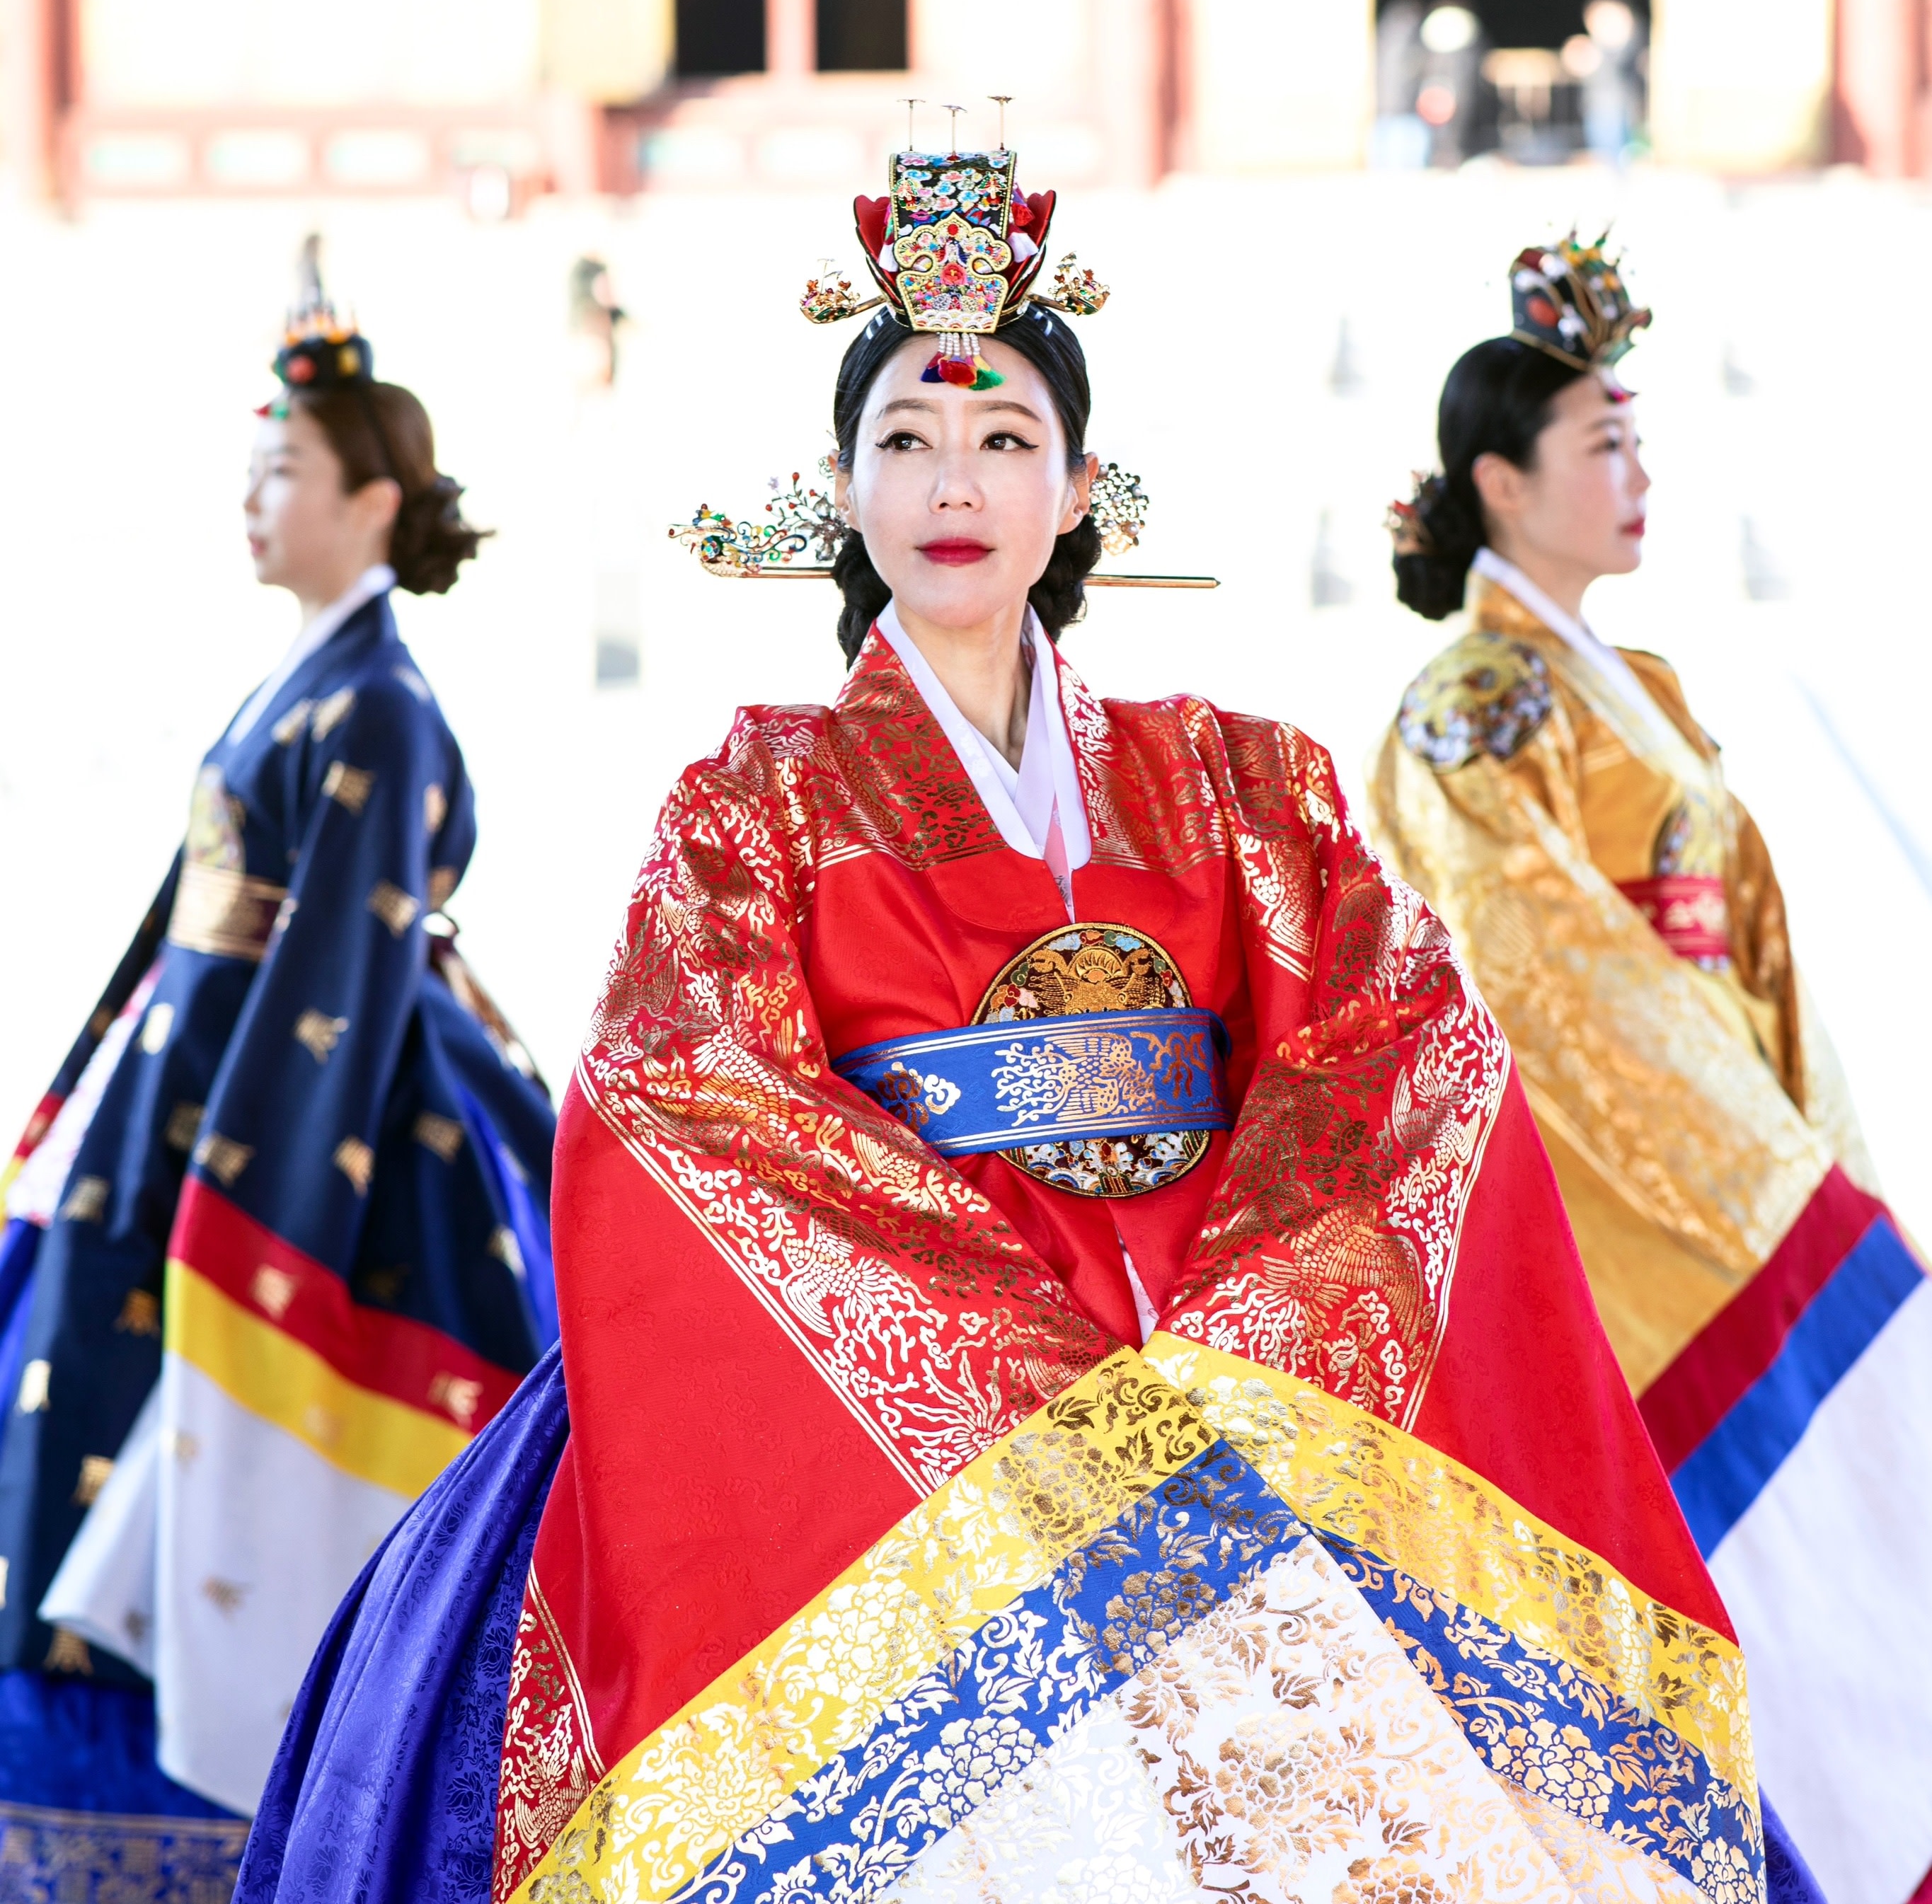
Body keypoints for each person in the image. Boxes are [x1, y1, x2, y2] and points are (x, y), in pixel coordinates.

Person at [243, 158, 1799, 1904]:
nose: (952, 484)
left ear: (1077, 489)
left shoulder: (1238, 781)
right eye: (904, 440)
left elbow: (1404, 1037)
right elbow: (679, 1097)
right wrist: (1010, 1371)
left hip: (1223, 1348)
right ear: (841, 489)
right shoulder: (756, 804)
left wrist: (1243, 1333)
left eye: (1003, 440)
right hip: (881, 1402)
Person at [1370, 235, 1930, 1904]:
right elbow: (1546, 975)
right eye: (1603, 444)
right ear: (1502, 482)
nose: (1639, 477)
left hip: (1739, 1149)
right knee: (1723, 1570)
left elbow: (1752, 953)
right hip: (1621, 1212)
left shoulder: (1645, 689)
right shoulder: (1470, 708)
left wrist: (1818, 1161)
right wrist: (1756, 1172)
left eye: (1640, 442)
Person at [0, 263, 558, 1895]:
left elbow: (337, 979)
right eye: (253, 469)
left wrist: (250, 1221)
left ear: (373, 500)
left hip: (300, 1124)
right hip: (197, 1090)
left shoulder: (380, 703)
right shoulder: (314, 680)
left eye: (286, 471)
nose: (255, 499)